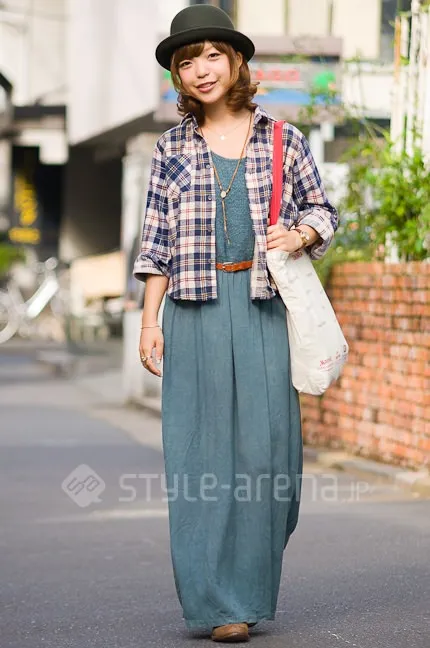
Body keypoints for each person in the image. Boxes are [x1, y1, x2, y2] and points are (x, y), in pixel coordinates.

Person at [133, 4, 338, 643]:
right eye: (186, 61)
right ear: (177, 75)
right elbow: (155, 244)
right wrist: (149, 321)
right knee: (196, 457)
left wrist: (301, 234)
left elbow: (323, 210)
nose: (201, 70)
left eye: (211, 56)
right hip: (192, 312)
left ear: (236, 62)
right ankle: (221, 605)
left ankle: (247, 581)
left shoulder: (282, 139)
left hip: (261, 308)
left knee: (270, 457)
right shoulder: (170, 148)